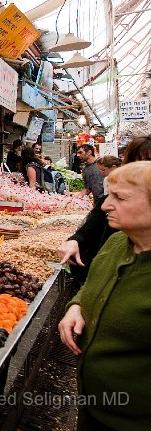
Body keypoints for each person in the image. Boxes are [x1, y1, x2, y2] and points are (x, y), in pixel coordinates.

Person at [58, 161, 151, 429]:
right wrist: (77, 305)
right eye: (108, 195)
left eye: (119, 198)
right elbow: (94, 282)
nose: (105, 206)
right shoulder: (117, 242)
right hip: (93, 407)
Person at [58, 135, 151, 284]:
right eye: (134, 162)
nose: (108, 206)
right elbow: (96, 217)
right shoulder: (116, 243)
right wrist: (75, 240)